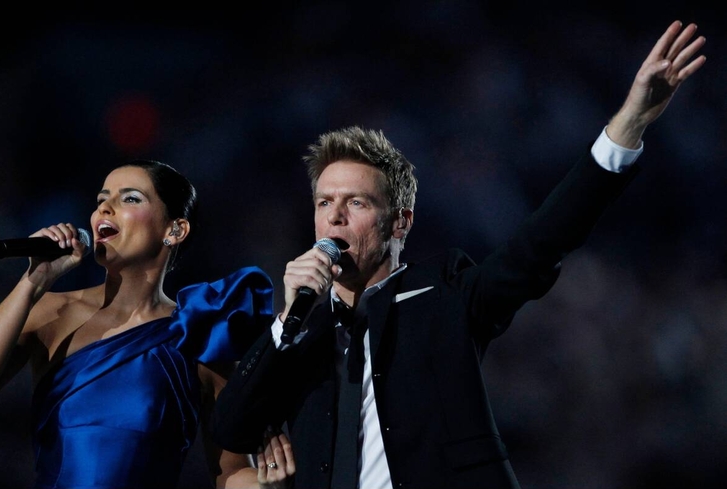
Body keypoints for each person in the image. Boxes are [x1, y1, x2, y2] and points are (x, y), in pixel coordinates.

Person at [211, 20, 707, 489]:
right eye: (324, 203)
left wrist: (630, 122)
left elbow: (540, 244)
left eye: (356, 202)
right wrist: (285, 323)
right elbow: (229, 429)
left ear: (399, 222)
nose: (334, 217)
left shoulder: (445, 298)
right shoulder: (298, 338)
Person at [0, 160, 295, 488]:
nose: (105, 208)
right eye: (101, 200)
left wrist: (269, 484)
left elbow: (231, 472)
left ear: (174, 229)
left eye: (129, 198)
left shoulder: (198, 333)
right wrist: (33, 281)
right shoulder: (52, 312)